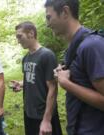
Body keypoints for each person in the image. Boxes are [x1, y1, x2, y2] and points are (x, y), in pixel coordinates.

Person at [44, 0, 104, 135]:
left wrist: (66, 83)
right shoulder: (73, 47)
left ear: (65, 12)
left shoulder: (92, 46)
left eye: (49, 17)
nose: (47, 24)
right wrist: (62, 73)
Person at [11, 21, 62, 135]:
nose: (18, 41)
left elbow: (53, 88)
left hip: (44, 114)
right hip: (29, 112)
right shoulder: (26, 58)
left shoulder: (47, 55)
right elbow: (34, 78)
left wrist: (47, 120)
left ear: (31, 33)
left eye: (20, 36)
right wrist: (21, 83)